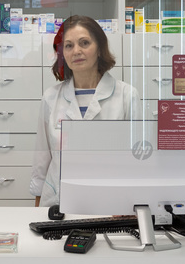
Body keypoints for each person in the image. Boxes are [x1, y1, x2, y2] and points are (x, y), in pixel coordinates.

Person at [30, 15, 140, 207]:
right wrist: (37, 207)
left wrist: (133, 203)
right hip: (58, 201)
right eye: (69, 45)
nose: (76, 51)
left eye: (84, 43)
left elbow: (137, 160)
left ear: (99, 48)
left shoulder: (126, 96)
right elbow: (42, 158)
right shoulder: (51, 97)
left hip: (110, 201)